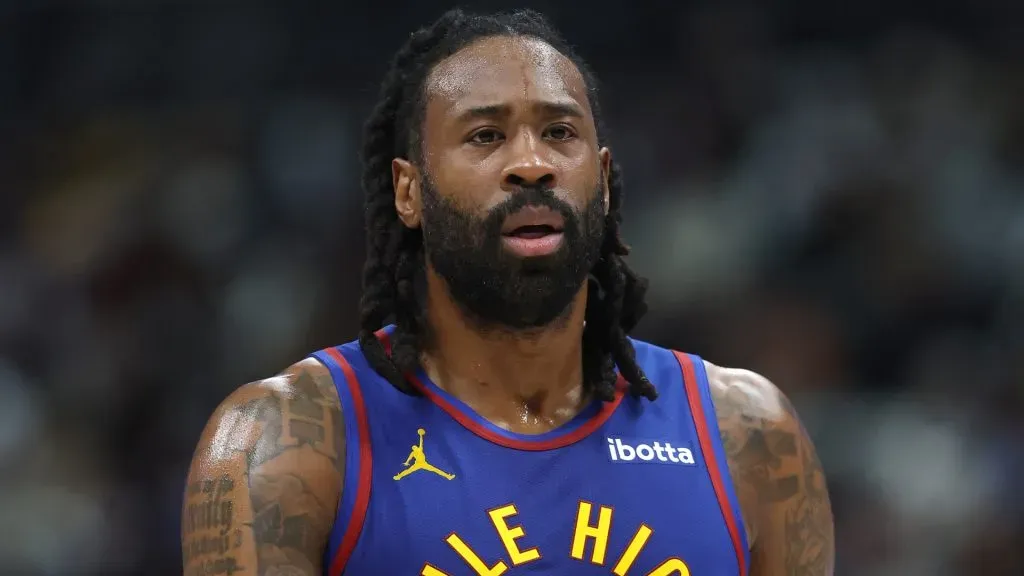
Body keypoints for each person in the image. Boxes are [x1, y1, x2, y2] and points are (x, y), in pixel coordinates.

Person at [181, 8, 834, 576]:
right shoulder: (284, 443)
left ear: (603, 179)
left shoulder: (750, 435)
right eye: (486, 136)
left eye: (560, 133)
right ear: (409, 191)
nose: (532, 164)